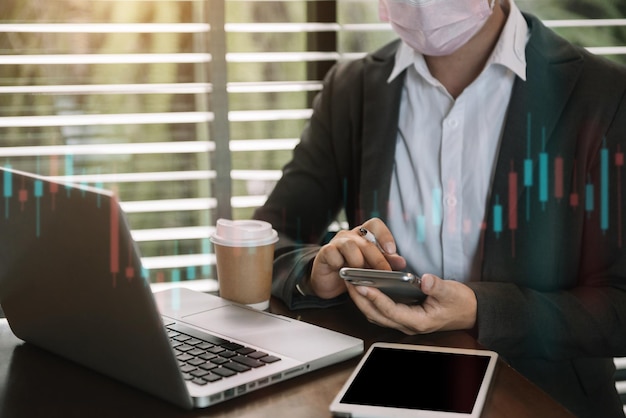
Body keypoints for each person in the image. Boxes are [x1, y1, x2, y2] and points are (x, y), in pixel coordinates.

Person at [253, 0, 626, 416]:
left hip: (544, 401)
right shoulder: (352, 89)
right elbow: (265, 240)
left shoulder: (603, 93)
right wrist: (313, 274)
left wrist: (482, 310)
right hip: (388, 393)